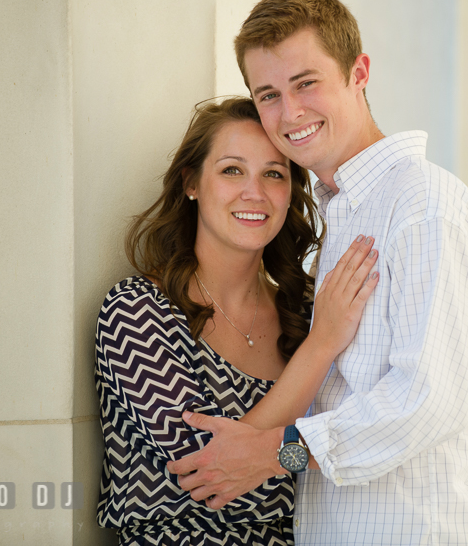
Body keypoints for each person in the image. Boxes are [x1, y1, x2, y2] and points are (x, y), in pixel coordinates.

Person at [168, 0, 468, 545]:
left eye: (306, 83)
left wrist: (280, 451)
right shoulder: (344, 211)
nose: (289, 112)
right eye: (268, 94)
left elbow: (429, 399)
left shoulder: (423, 208)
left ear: (359, 72)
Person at [94, 96, 380, 545]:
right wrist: (321, 346)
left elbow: (367, 451)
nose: (255, 192)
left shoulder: (308, 309)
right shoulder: (137, 312)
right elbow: (211, 474)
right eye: (232, 170)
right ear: (191, 182)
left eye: (273, 173)